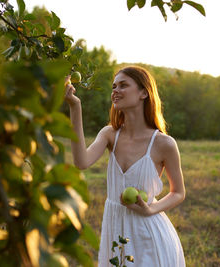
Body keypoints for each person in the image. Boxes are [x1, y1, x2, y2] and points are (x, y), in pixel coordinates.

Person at [64, 65, 186, 266]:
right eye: (113, 86)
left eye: (123, 85)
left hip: (149, 235)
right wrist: (75, 107)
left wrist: (151, 209)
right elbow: (81, 162)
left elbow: (178, 192)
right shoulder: (109, 134)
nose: (115, 91)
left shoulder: (164, 143)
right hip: (116, 230)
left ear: (143, 93)